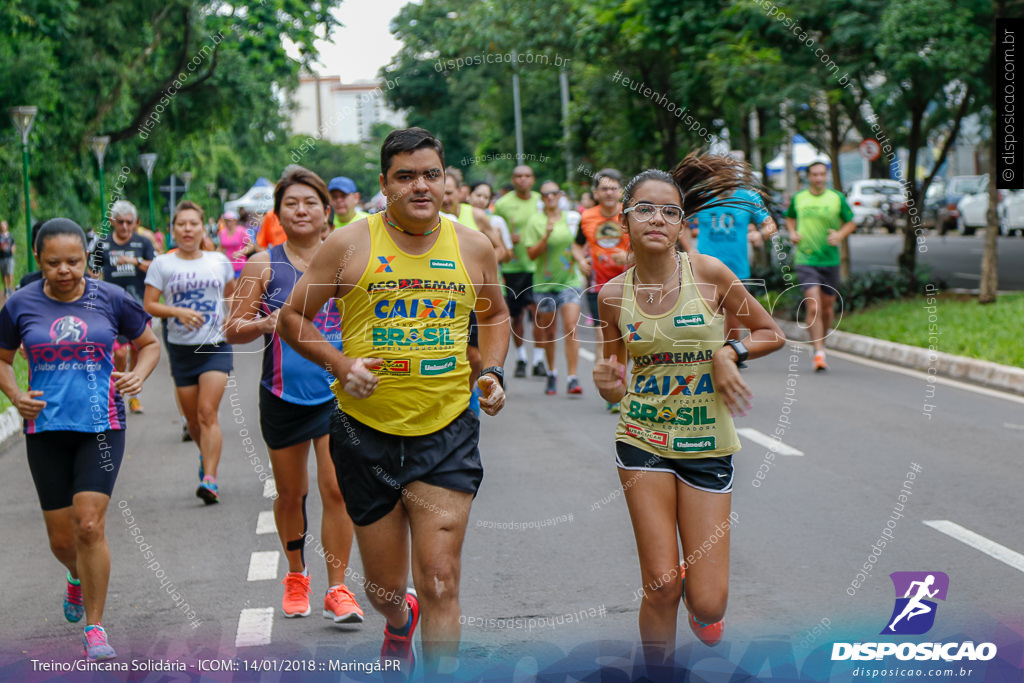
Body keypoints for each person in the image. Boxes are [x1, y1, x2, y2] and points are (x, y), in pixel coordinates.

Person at [278, 127, 509, 679]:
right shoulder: (349, 244)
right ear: (384, 185)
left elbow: (496, 315)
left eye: (431, 174)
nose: (421, 186)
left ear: (446, 180)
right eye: (406, 176)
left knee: (438, 579)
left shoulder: (472, 246)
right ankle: (396, 618)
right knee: (385, 589)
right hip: (364, 432)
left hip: (447, 430)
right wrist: (341, 365)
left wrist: (494, 371)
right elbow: (291, 318)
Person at [592, 165, 784, 676]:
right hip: (642, 438)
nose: (658, 218)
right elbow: (615, 371)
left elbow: (771, 332)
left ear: (682, 224)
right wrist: (608, 383)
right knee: (660, 584)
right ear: (624, 219)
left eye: (670, 211)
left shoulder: (711, 274)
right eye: (645, 209)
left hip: (706, 441)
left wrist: (729, 351)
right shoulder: (612, 296)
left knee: (708, 604)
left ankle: (698, 599)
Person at [0, 218, 160, 660]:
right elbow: (2, 358)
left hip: (101, 425)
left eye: (74, 261)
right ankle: (75, 576)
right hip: (45, 428)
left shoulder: (110, 298)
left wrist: (137, 375)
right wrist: (15, 394)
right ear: (38, 260)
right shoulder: (19, 304)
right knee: (62, 541)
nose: (65, 270)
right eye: (54, 263)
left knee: (89, 525)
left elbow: (148, 344)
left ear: (86, 259)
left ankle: (95, 627)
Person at [227, 166, 364, 624]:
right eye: (291, 204)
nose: (301, 210)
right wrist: (266, 323)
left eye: (310, 203)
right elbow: (232, 329)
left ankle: (339, 588)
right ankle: (296, 574)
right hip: (282, 394)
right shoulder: (262, 264)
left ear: (328, 211)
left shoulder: (350, 257)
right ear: (278, 214)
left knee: (337, 491)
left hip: (337, 394)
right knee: (291, 494)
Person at [143, 201, 235, 503]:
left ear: (202, 227)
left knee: (208, 412)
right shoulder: (163, 264)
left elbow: (232, 297)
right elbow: (150, 304)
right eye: (181, 224)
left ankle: (210, 479)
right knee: (193, 421)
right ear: (172, 230)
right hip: (182, 349)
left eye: (193, 223)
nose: (187, 229)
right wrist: (176, 311)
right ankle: (204, 457)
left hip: (215, 346)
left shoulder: (219, 261)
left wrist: (233, 317)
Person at [784, 161, 855, 372]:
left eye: (822, 174)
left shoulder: (836, 198)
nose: (818, 178)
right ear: (808, 177)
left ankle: (822, 342)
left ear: (826, 176)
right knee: (813, 306)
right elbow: (789, 218)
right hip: (806, 259)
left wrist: (840, 235)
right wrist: (792, 232)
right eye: (814, 174)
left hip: (830, 260)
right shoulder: (799, 198)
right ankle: (818, 353)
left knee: (827, 307)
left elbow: (851, 221)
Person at [571, 169, 631, 410]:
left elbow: (647, 248)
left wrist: (628, 257)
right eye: (604, 188)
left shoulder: (630, 215)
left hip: (629, 283)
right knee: (603, 337)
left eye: (614, 188)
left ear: (621, 191)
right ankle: (610, 391)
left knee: (629, 337)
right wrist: (580, 260)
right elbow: (577, 246)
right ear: (596, 193)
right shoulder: (587, 217)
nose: (609, 192)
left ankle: (628, 385)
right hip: (599, 286)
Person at [89, 201, 156, 415]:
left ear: (135, 223)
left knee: (138, 350)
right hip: (110, 308)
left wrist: (135, 261)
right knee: (120, 352)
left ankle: (133, 394)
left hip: (137, 306)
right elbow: (93, 272)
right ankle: (117, 390)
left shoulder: (143, 243)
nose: (125, 227)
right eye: (120, 222)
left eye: (129, 223)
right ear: (112, 222)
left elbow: (155, 268)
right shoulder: (103, 244)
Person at [689, 186, 776, 345]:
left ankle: (731, 357)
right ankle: (705, 357)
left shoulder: (749, 196)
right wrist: (689, 249)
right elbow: (681, 223)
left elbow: (771, 225)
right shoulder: (702, 196)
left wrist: (760, 234)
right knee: (704, 318)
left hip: (737, 269)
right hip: (705, 270)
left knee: (734, 324)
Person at [523, 181, 585, 396]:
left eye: (554, 193)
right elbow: (531, 254)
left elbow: (579, 245)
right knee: (549, 332)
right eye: (546, 194)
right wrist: (546, 235)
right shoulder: (535, 222)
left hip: (569, 281)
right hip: (544, 284)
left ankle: (573, 377)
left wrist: (584, 261)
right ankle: (551, 373)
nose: (550, 197)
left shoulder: (572, 219)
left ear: (560, 195)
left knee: (570, 327)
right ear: (541, 198)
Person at [493, 166, 543, 378]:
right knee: (517, 315)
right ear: (513, 179)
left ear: (533, 179)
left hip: (538, 266)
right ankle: (521, 357)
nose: (523, 179)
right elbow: (495, 231)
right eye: (518, 176)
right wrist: (506, 240)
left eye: (527, 176)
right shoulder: (503, 204)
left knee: (540, 314)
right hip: (513, 267)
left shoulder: (541, 201)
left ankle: (539, 360)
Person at [218, 211, 249, 278]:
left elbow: (251, 246)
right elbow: (221, 247)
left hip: (241, 265)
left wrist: (241, 252)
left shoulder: (241, 231)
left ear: (235, 221)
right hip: (228, 266)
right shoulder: (222, 232)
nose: (228, 223)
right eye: (226, 220)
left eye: (230, 220)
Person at [0, 219, 15, 304]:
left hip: (9, 257)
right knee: (4, 274)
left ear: (6, 227)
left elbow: (13, 244)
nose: (3, 227)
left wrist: (12, 250)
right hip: (2, 258)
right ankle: (6, 289)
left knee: (10, 273)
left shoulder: (10, 236)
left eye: (4, 226)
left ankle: (10, 288)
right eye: (1, 226)